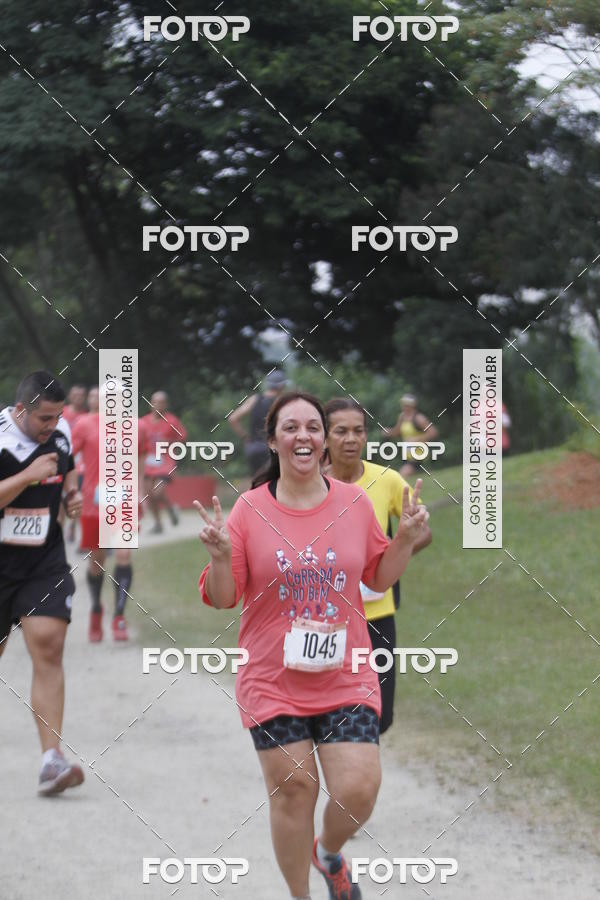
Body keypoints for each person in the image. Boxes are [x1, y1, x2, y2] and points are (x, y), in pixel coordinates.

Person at [195, 392, 429, 900]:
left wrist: (405, 541)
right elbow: (223, 597)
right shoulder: (249, 511)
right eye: (291, 427)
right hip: (272, 679)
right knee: (294, 791)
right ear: (273, 440)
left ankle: (328, 855)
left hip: (344, 671)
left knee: (359, 790)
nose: (303, 436)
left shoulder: (353, 504)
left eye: (312, 427)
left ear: (322, 441)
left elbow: (377, 576)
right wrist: (218, 556)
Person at [324, 398, 432, 734]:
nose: (351, 439)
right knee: (330, 715)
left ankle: (354, 780)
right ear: (324, 437)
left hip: (376, 615)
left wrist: (390, 556)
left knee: (379, 717)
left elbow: (423, 532)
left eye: (358, 431)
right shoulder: (310, 484)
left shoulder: (387, 480)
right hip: (323, 619)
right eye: (340, 431)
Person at [0, 371, 84, 795]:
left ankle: (52, 761)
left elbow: (67, 467)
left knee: (49, 643)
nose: (52, 426)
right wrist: (28, 475)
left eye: (57, 417)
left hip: (42, 561)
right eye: (44, 419)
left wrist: (71, 495)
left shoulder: (61, 430)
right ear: (20, 411)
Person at [72, 386, 148, 642]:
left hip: (125, 500)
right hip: (96, 503)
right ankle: (96, 609)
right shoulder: (85, 425)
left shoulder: (137, 427)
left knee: (124, 556)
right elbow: (69, 458)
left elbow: (140, 462)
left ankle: (119, 616)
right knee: (97, 561)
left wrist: (139, 492)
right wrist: (73, 490)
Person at [140, 391, 187, 534]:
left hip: (165, 462)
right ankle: (158, 523)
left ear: (165, 404)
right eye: (154, 402)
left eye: (161, 402)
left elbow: (182, 438)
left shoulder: (171, 421)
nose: (157, 405)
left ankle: (171, 508)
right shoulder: (144, 421)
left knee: (158, 493)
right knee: (149, 493)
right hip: (147, 463)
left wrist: (169, 442)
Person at [228, 369, 288, 476]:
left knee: (257, 482)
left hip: (254, 448)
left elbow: (233, 419)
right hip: (273, 449)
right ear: (281, 386)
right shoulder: (282, 402)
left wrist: (246, 438)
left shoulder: (255, 399)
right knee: (275, 483)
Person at [382, 394, 438, 478]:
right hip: (407, 456)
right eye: (403, 404)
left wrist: (416, 439)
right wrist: (388, 432)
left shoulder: (419, 418)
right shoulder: (402, 417)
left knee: (401, 476)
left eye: (406, 405)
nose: (403, 407)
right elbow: (397, 432)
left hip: (419, 455)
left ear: (412, 405)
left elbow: (433, 433)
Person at [62, 385, 88, 545]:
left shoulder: (86, 416)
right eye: (75, 394)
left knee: (76, 495)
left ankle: (73, 527)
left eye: (81, 395)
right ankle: (63, 530)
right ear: (70, 396)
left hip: (79, 462)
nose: (78, 397)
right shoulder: (61, 412)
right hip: (61, 456)